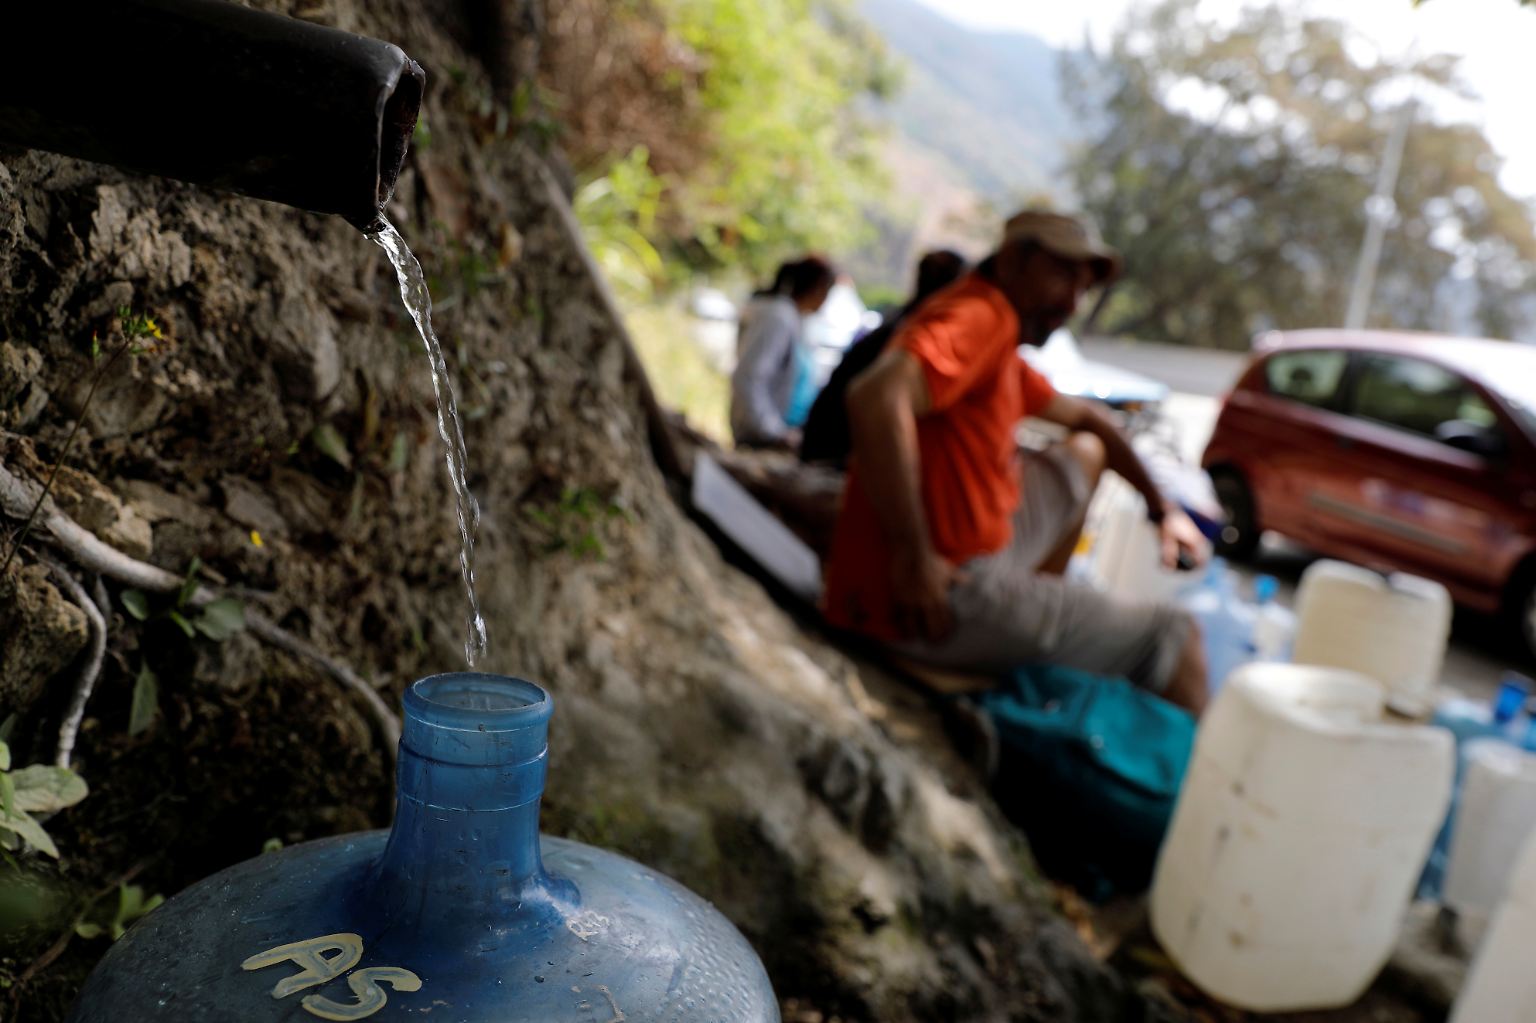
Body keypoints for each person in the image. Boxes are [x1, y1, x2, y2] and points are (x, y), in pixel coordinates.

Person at [821, 211, 1212, 715]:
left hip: (976, 553)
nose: (1072, 302)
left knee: (1086, 451)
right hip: (935, 594)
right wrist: (912, 556)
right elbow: (875, 396)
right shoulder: (981, 314)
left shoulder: (1002, 345)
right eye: (1062, 276)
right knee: (1174, 635)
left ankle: (1037, 607)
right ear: (1012, 261)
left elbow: (1091, 422)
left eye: (1083, 287)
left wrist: (1164, 511)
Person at [799, 249, 967, 468]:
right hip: (834, 457)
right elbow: (873, 398)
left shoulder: (899, 324)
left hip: (825, 446)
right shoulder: (914, 338)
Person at [730, 256, 836, 451]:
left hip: (780, 433)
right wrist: (774, 431)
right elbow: (748, 377)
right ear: (819, 288)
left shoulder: (795, 319)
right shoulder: (779, 316)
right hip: (764, 438)